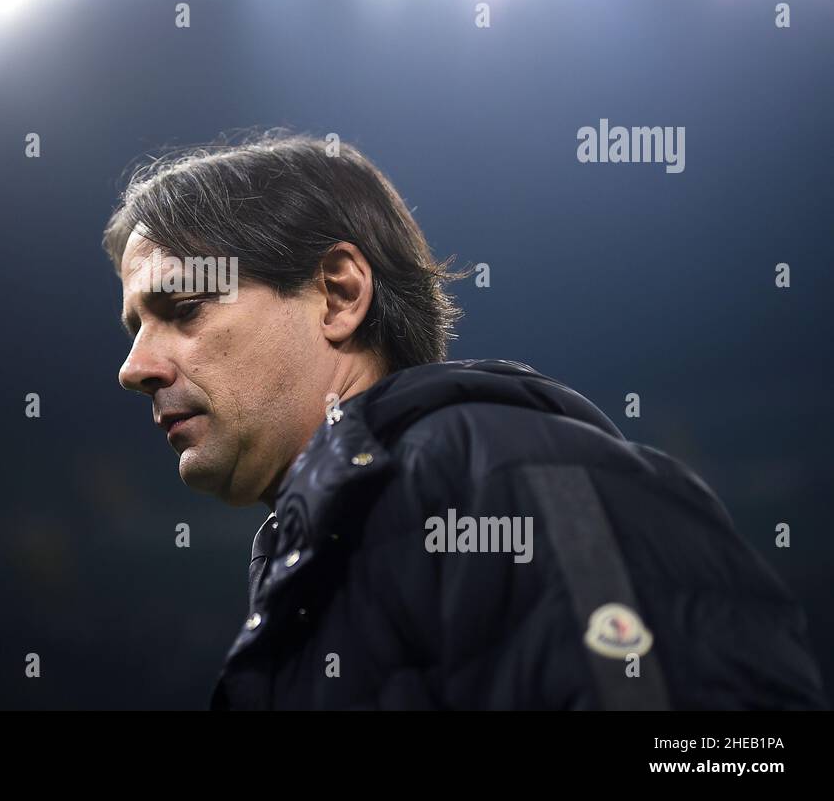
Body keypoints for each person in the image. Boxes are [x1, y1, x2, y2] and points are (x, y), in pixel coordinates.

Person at [103, 130, 827, 710]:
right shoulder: (325, 554)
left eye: (184, 307)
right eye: (135, 326)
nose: (134, 368)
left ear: (337, 293)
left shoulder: (512, 473)